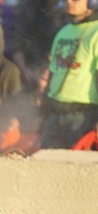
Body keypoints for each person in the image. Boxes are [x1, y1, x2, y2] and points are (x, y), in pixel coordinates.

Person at [40, 0, 98, 149]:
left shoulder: (96, 31)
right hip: (55, 113)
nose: (69, 2)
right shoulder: (63, 31)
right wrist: (44, 110)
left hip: (83, 115)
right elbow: (53, 73)